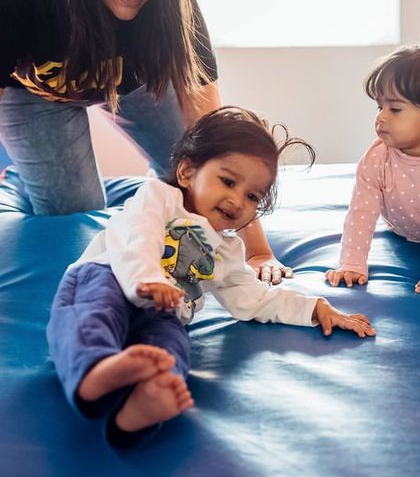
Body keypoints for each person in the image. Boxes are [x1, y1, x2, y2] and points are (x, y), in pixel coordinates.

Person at [47, 106, 376, 449]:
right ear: (188, 171)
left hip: (166, 310)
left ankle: (139, 411)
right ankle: (93, 371)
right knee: (89, 315)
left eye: (252, 196)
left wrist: (314, 308)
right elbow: (139, 235)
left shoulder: (227, 249)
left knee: (171, 349)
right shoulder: (159, 198)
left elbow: (254, 298)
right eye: (228, 181)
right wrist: (148, 279)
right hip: (109, 276)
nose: (237, 200)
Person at [0, 0, 290, 284]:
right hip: (35, 96)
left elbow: (218, 144)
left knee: (189, 170)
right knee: (79, 215)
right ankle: (29, 175)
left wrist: (258, 249)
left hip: (132, 85)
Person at [325, 46, 420, 293]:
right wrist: (352, 263)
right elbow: (361, 213)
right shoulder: (377, 157)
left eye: (395, 109)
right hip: (401, 230)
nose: (381, 118)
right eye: (379, 107)